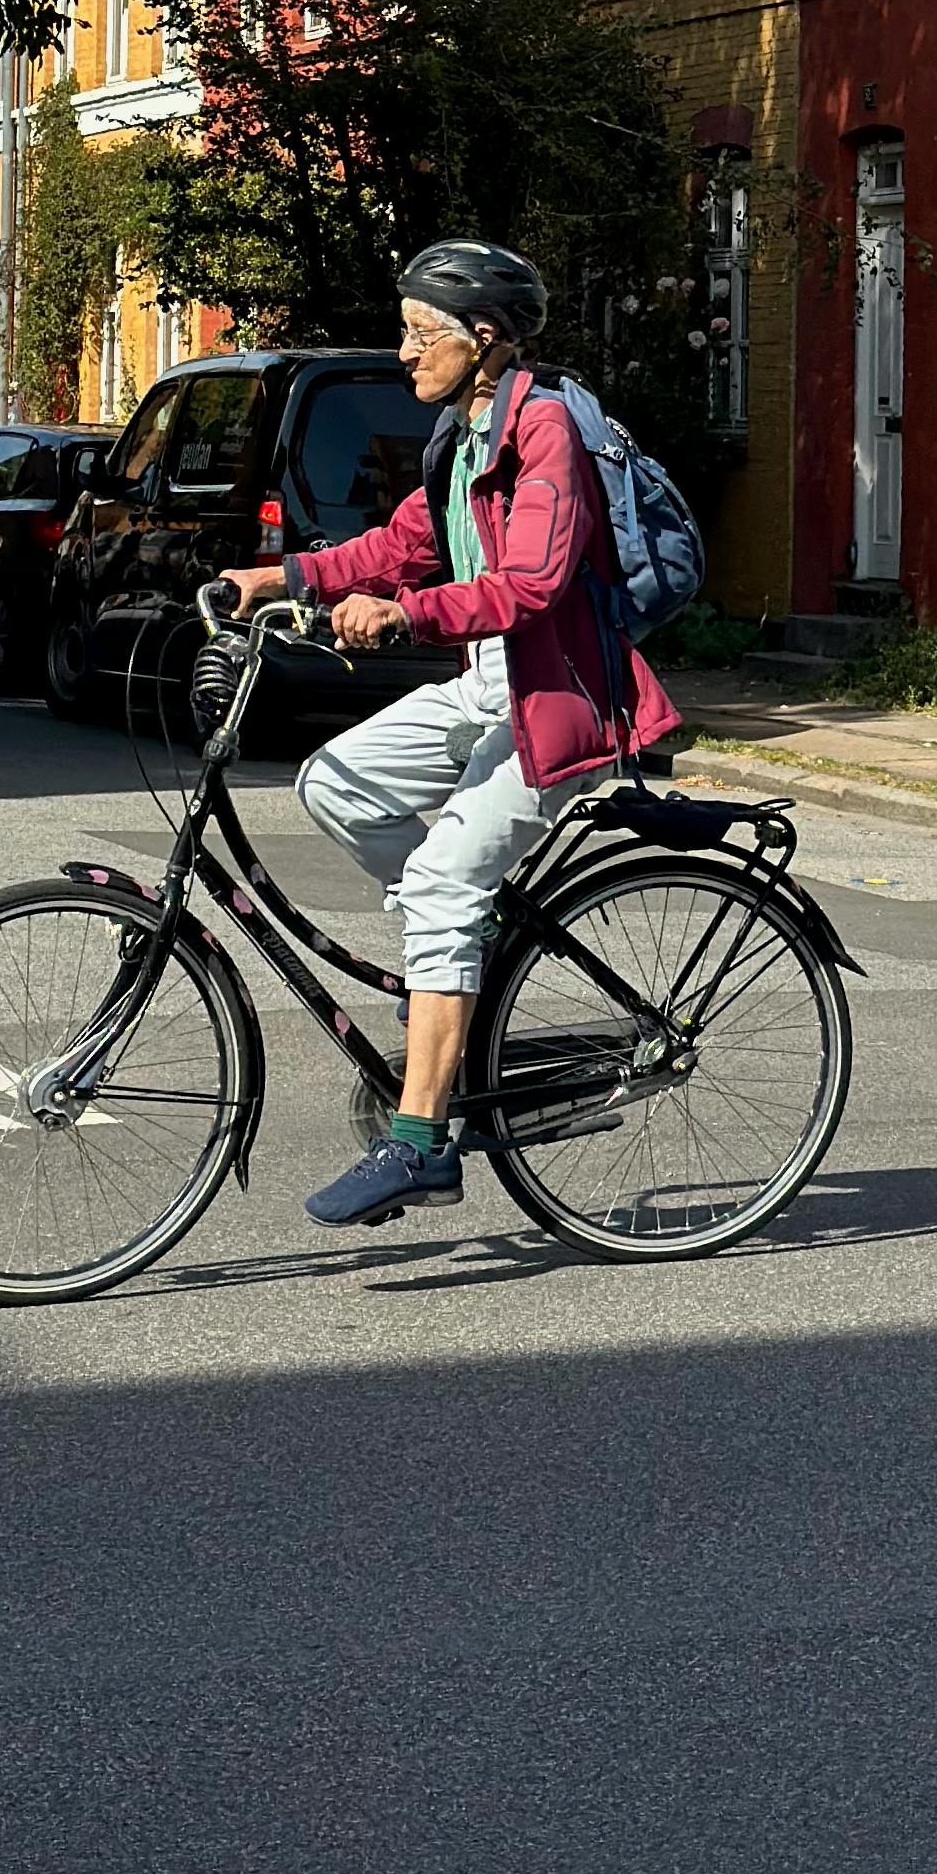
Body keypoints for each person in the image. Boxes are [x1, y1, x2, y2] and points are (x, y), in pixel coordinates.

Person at [215, 238, 681, 1227]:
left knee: (436, 884)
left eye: (419, 333)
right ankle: (471, 941)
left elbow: (534, 583)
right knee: (335, 782)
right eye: (402, 331)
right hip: (483, 686)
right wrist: (284, 577)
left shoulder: (542, 430)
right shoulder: (466, 435)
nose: (402, 353)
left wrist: (406, 616)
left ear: (482, 337)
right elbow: (409, 543)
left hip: (558, 699)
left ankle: (423, 1144)